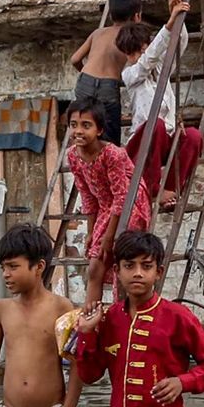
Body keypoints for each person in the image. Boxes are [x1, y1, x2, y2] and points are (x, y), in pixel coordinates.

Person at [72, 230, 204, 407]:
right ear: (117, 272)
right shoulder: (109, 319)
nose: (138, 273)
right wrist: (86, 334)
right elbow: (89, 376)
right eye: (129, 266)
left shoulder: (178, 317)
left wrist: (181, 382)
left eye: (146, 266)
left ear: (158, 273)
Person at [0, 224, 82, 407]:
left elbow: (78, 366)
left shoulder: (61, 307)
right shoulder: (1, 310)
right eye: (3, 267)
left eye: (13, 266)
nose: (6, 274)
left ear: (39, 267)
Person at [119, 0, 203, 211]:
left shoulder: (160, 70)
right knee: (154, 125)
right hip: (142, 144)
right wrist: (168, 24)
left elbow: (179, 44)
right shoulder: (130, 74)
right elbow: (147, 61)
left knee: (193, 136)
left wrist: (176, 17)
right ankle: (150, 188)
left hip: (163, 140)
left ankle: (171, 189)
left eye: (141, 49)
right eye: (132, 53)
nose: (138, 55)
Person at [63, 96, 145, 309]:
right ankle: (91, 319)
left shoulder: (112, 154)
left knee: (120, 258)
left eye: (86, 125)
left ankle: (125, 316)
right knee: (94, 265)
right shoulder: (73, 156)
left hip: (131, 204)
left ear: (99, 130)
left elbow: (122, 196)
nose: (78, 131)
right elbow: (87, 196)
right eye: (74, 125)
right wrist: (91, 232)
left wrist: (109, 237)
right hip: (106, 208)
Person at [70, 0, 143, 146]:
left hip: (85, 81)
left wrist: (85, 74)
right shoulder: (130, 37)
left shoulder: (98, 33)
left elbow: (75, 59)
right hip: (108, 86)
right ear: (137, 17)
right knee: (109, 134)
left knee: (86, 123)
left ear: (110, 14)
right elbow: (139, 65)